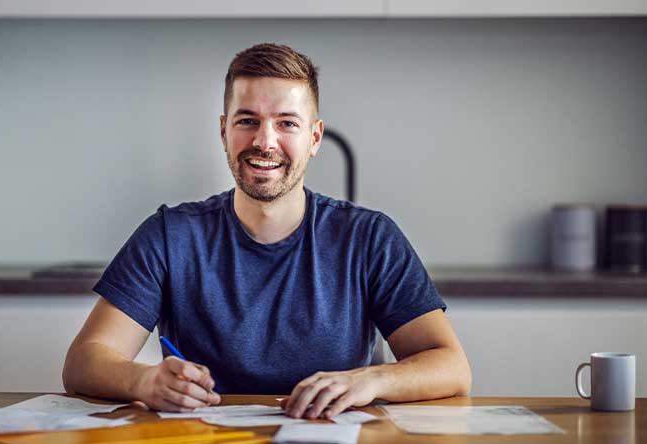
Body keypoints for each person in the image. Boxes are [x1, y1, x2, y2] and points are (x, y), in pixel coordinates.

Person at [63, 43, 472, 420]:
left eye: (286, 123)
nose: (265, 141)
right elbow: (84, 361)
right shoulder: (170, 235)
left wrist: (370, 380)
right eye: (247, 120)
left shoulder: (370, 238)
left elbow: (451, 365)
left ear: (314, 137)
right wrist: (144, 381)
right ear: (223, 131)